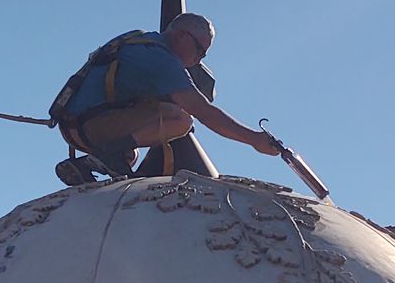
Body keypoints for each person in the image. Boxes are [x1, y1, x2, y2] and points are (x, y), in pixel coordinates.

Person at [52, 13, 281, 185]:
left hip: (73, 127)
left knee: (129, 154)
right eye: (200, 50)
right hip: (93, 126)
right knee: (180, 119)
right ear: (182, 35)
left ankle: (88, 165)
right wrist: (254, 139)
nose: (198, 60)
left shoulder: (137, 42)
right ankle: (108, 154)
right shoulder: (161, 59)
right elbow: (203, 112)